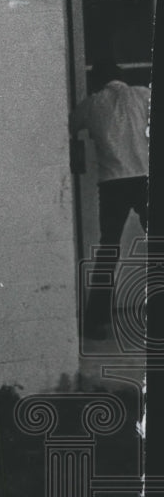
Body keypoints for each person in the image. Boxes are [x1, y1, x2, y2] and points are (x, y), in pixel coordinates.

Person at [69, 61, 151, 338]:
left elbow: (72, 126)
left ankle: (98, 320)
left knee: (109, 248)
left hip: (113, 181)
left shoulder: (92, 104)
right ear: (122, 78)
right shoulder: (143, 95)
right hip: (145, 177)